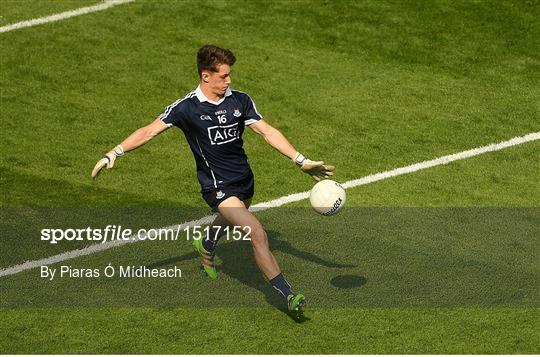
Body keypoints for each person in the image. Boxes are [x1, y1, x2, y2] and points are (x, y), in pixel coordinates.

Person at [91, 45, 335, 313]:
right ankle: (287, 294)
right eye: (223, 76)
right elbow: (149, 131)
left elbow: (267, 132)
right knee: (256, 231)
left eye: (230, 75)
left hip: (244, 180)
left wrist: (301, 160)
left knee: (238, 214)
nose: (229, 81)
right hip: (217, 186)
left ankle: (207, 241)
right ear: (205, 76)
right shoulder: (186, 108)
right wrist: (115, 152)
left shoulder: (240, 100)